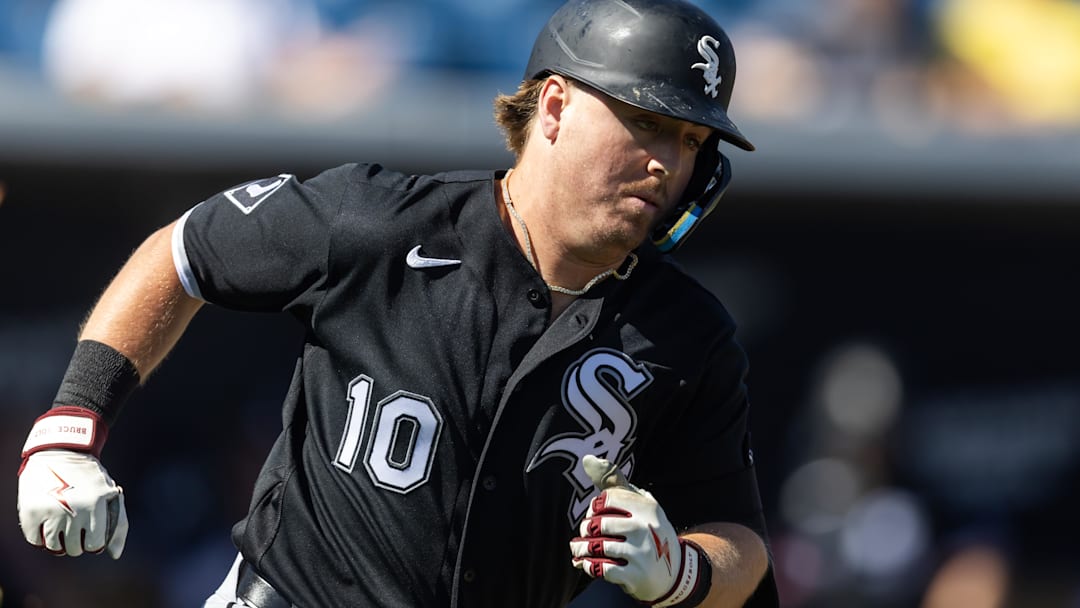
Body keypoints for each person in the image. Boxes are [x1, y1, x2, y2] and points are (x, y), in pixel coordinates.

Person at [16, 0, 779, 606]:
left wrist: (682, 570)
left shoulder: (688, 334)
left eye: (688, 140)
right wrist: (71, 426)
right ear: (554, 107)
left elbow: (739, 541)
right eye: (645, 121)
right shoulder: (380, 221)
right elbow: (182, 254)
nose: (666, 161)